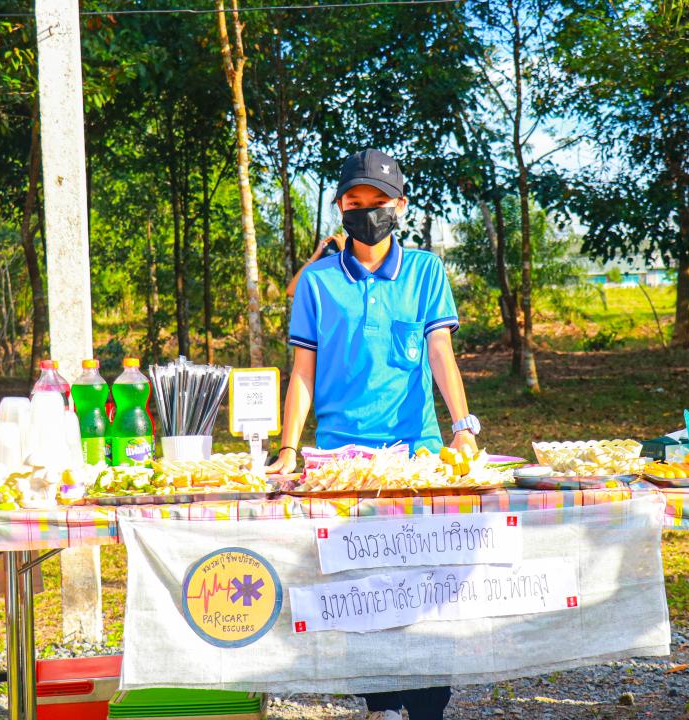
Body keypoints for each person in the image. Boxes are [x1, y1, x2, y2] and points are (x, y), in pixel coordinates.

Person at [268, 149, 482, 720]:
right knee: (360, 582)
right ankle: (381, 704)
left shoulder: (426, 272)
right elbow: (303, 371)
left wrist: (463, 427)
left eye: (378, 201)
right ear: (340, 207)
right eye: (354, 201)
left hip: (418, 454)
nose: (366, 212)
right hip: (342, 461)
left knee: (426, 581)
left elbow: (440, 352)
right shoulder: (316, 282)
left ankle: (429, 708)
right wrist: (288, 448)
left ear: (400, 206)